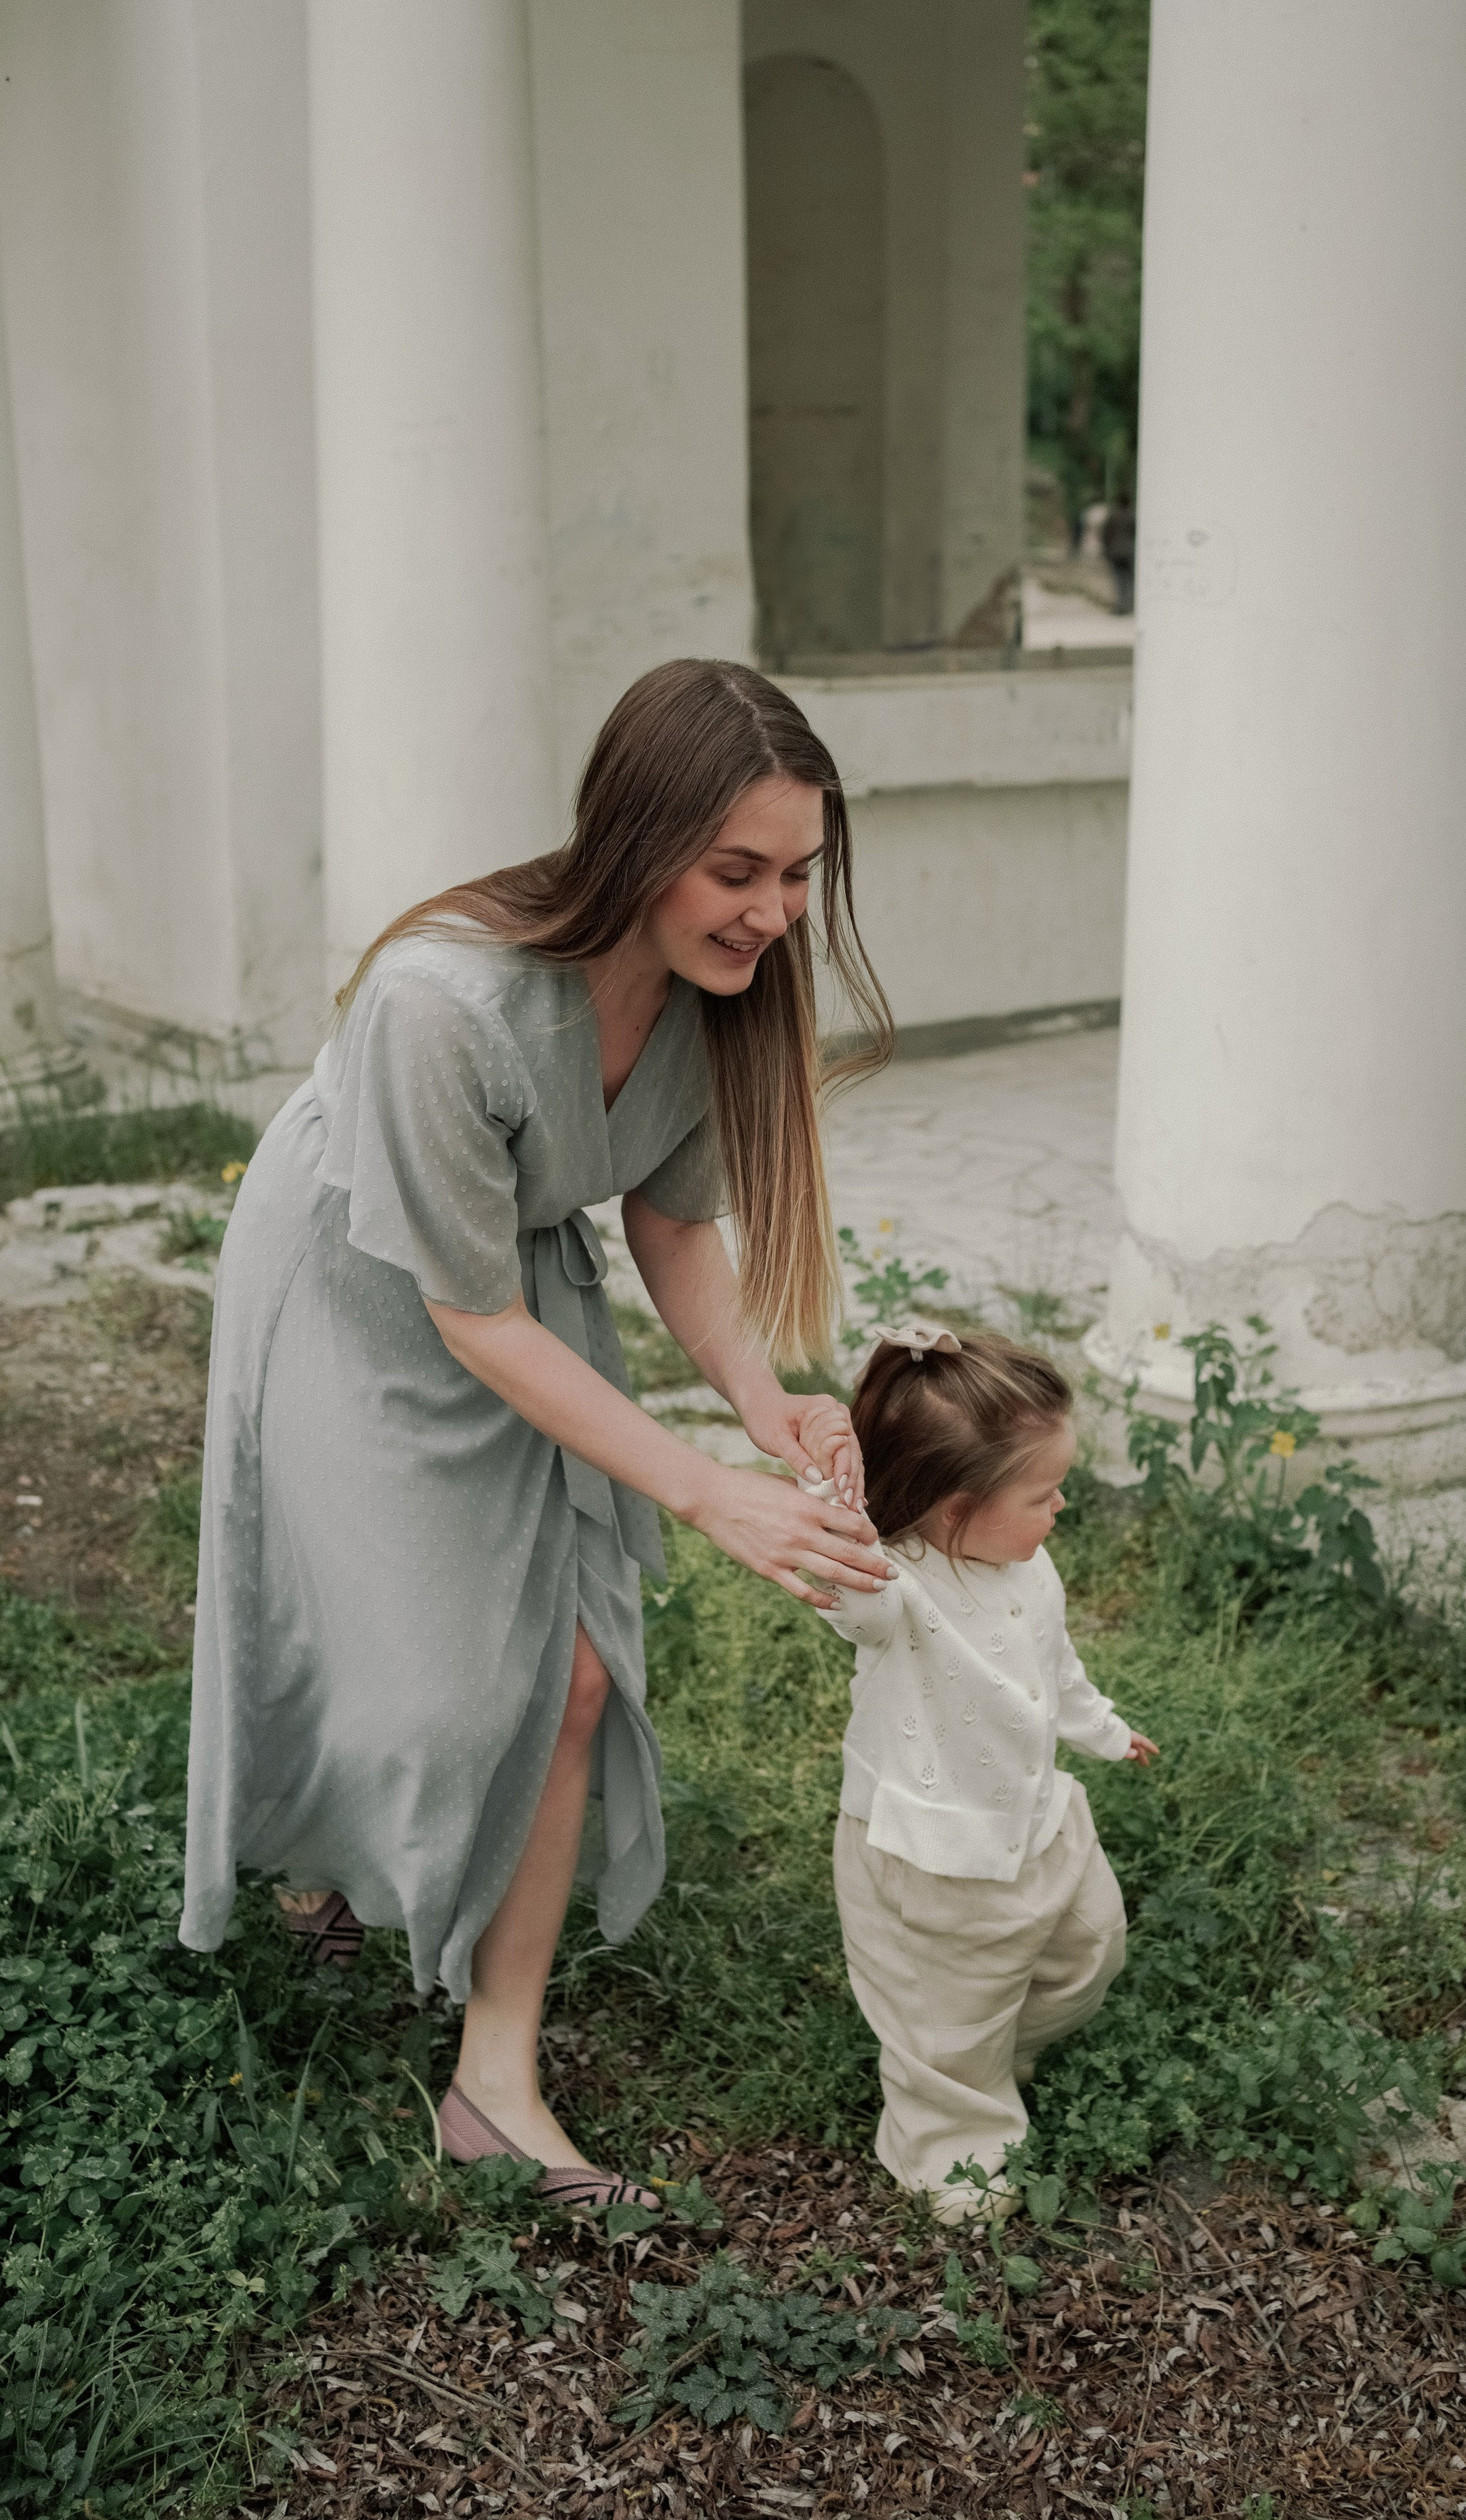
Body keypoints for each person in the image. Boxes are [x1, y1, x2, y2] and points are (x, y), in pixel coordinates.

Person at [181, 659, 897, 2210]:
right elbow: (468, 1320)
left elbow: (669, 1220)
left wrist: (765, 1403)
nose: (774, 914)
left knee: (564, 1670)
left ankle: (490, 2084)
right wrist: (708, 1492)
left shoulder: (721, 989)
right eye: (736, 873)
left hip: (504, 1285)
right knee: (372, 1631)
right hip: (356, 1289)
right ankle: (333, 1852)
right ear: (634, 839)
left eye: (797, 875)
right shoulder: (440, 1006)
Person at [804, 1324, 1158, 2222]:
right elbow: (846, 1588)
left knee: (1090, 1947)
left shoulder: (1026, 1566)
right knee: (947, 2021)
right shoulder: (893, 1589)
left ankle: (1004, 2053)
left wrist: (1105, 1732)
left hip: (1040, 1822)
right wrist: (830, 1499)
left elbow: (1055, 1668)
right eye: (1042, 1494)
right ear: (954, 1509)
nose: (1061, 1507)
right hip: (936, 1850)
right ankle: (952, 2149)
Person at [1101, 495, 1136, 614]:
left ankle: (1120, 606)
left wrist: (1106, 550)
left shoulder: (1113, 516)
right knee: (1129, 580)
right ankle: (1129, 606)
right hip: (1129, 552)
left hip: (1115, 552)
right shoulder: (1132, 516)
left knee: (1119, 581)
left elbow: (1106, 534)